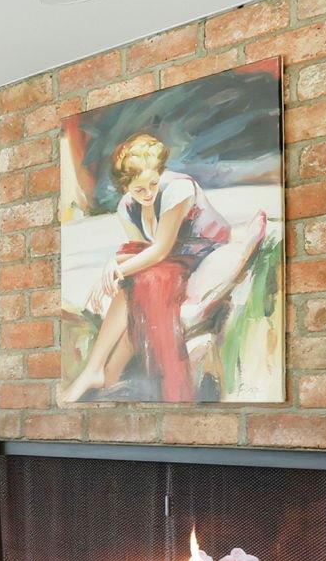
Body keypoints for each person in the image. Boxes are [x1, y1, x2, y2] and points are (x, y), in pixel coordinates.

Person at [58, 133, 266, 404]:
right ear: (125, 188)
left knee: (143, 280)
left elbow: (160, 250)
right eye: (139, 189)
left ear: (160, 174)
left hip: (199, 250)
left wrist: (119, 268)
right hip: (168, 256)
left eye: (152, 184)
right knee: (138, 282)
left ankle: (100, 371)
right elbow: (142, 248)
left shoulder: (178, 189)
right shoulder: (126, 208)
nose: (148, 194)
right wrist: (115, 263)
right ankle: (103, 371)